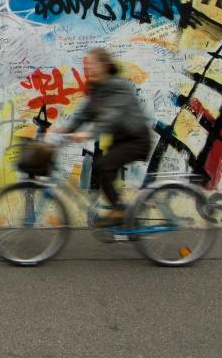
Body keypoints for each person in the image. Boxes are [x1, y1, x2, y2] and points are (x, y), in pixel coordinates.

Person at [54, 47, 152, 226]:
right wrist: (66, 129)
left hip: (136, 140)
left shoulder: (118, 85)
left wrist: (90, 133)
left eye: (92, 64)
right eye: (87, 64)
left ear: (104, 65)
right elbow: (85, 113)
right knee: (101, 170)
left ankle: (120, 211)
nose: (88, 68)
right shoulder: (97, 88)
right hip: (120, 141)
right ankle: (125, 215)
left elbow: (111, 114)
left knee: (103, 166)